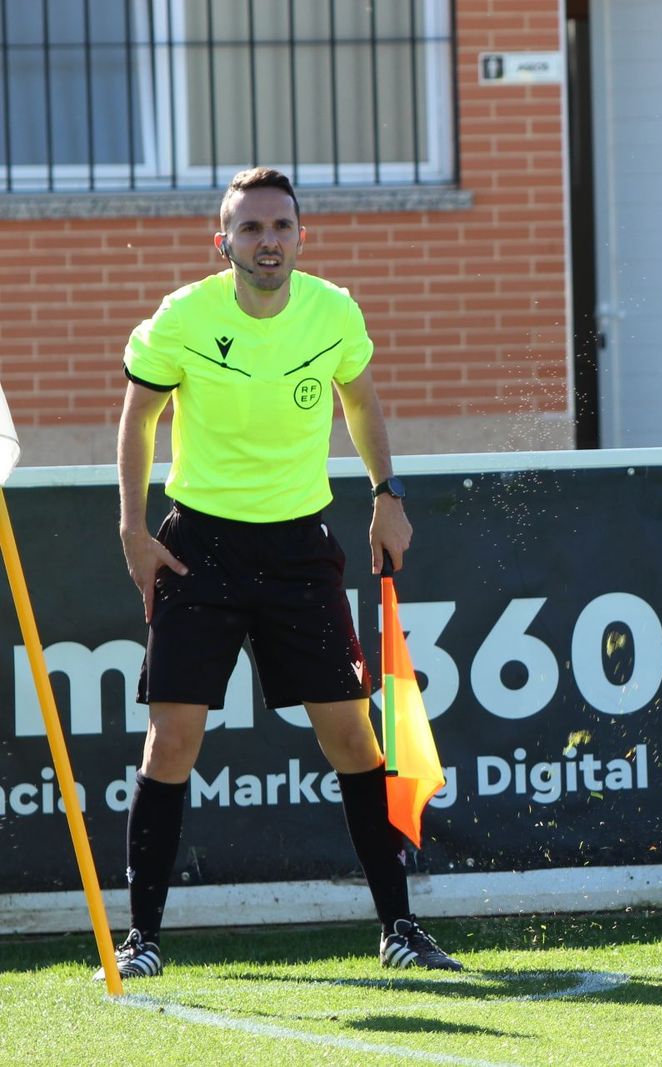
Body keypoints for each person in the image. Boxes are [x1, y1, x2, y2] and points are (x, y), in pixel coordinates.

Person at [105, 167, 461, 979]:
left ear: (302, 235)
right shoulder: (182, 318)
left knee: (352, 737)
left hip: (301, 549)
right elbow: (140, 417)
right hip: (200, 546)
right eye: (251, 228)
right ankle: (142, 939)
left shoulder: (333, 311)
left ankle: (399, 928)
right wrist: (132, 529)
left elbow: (361, 401)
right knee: (172, 740)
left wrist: (386, 494)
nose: (268, 240)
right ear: (222, 240)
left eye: (281, 226)